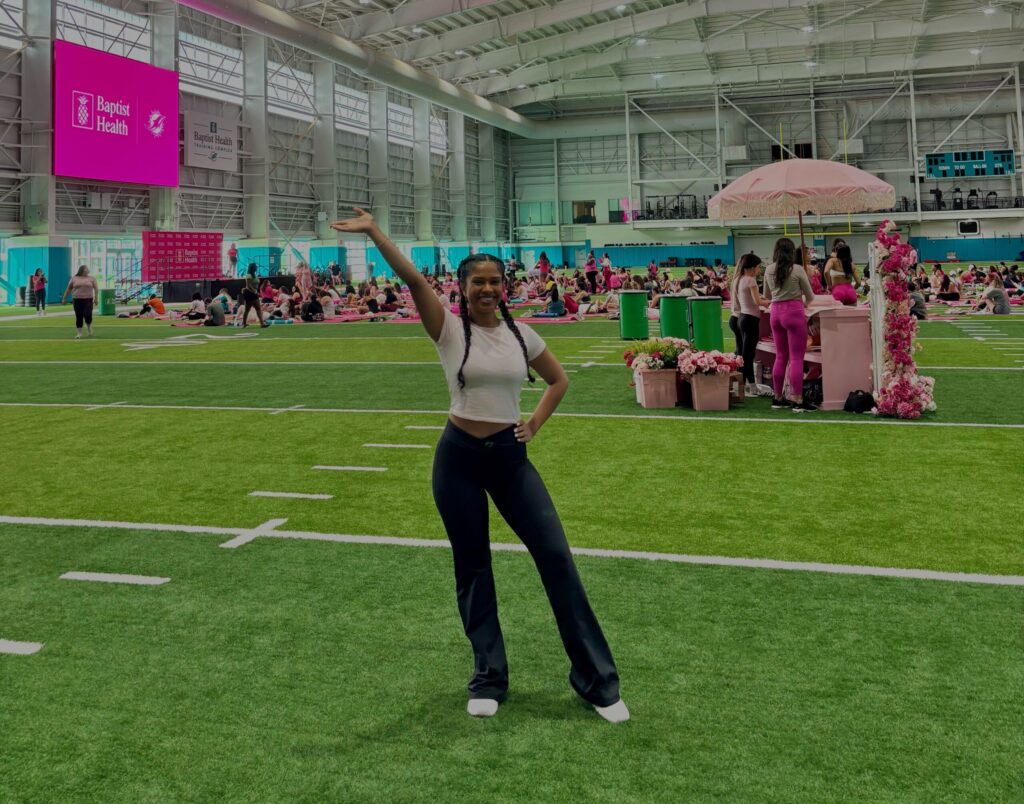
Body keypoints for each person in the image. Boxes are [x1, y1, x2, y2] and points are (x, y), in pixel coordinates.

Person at [330, 208, 627, 723]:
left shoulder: (522, 335)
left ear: (504, 287)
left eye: (494, 282)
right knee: (473, 568)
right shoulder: (447, 329)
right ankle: (489, 676)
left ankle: (597, 682)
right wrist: (376, 232)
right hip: (459, 461)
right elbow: (412, 277)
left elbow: (559, 381)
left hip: (511, 461)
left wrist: (532, 424)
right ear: (462, 288)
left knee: (556, 557)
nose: (487, 289)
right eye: (477, 283)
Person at [762, 238, 817, 412]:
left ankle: (778, 398)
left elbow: (766, 294)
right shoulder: (798, 269)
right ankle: (798, 399)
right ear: (792, 252)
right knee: (796, 358)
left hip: (775, 313)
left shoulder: (769, 270)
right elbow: (810, 297)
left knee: (780, 356)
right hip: (794, 312)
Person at [728, 253, 772, 397]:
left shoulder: (739, 279)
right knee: (747, 355)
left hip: (740, 318)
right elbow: (758, 302)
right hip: (749, 318)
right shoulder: (750, 280)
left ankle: (739, 388)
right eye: (758, 267)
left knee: (741, 355)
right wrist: (772, 302)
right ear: (752, 268)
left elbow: (753, 298)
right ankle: (751, 388)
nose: (759, 270)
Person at [60, 265, 98, 339]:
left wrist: (96, 298)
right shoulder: (74, 278)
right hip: (77, 299)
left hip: (88, 299)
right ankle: (79, 333)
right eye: (86, 268)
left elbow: (96, 289)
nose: (87, 270)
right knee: (79, 316)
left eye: (87, 268)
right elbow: (68, 289)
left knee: (88, 314)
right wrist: (64, 298)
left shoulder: (92, 278)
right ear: (82, 270)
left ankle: (89, 327)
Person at [241, 264, 269, 328]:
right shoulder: (248, 275)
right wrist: (254, 291)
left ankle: (262, 324)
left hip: (254, 293)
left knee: (258, 308)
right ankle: (244, 323)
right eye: (255, 267)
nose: (256, 267)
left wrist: (256, 291)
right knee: (247, 309)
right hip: (249, 293)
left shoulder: (254, 275)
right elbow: (248, 285)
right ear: (253, 268)